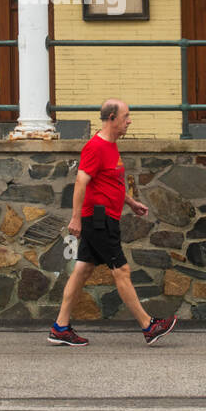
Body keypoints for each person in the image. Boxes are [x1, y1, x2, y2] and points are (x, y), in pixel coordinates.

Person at [47, 98, 178, 347]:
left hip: (105, 216)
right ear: (111, 119)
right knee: (122, 270)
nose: (129, 121)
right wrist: (75, 218)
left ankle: (60, 327)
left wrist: (130, 202)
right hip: (99, 219)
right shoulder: (95, 147)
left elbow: (109, 182)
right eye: (125, 116)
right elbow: (80, 182)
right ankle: (148, 326)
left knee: (82, 270)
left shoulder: (111, 145)